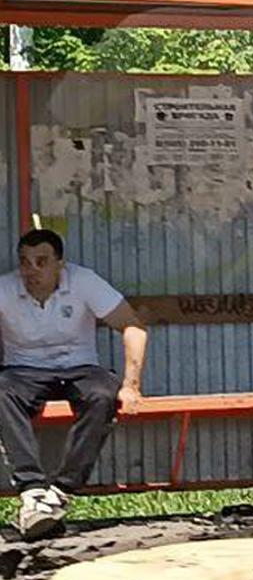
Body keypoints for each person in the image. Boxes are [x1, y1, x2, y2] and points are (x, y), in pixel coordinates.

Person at [1, 230, 147, 539]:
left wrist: (131, 386)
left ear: (60, 265)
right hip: (24, 369)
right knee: (2, 391)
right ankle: (32, 490)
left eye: (42, 262)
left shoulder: (84, 282)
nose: (32, 271)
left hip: (79, 366)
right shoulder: (5, 289)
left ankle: (60, 491)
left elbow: (133, 326)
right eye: (25, 263)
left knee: (102, 394)